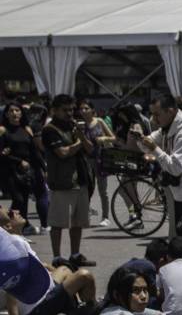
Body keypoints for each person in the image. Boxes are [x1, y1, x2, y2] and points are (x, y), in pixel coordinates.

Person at [0, 205, 96, 315]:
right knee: (84, 275)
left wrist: (49, 268)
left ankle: (74, 305)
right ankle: (93, 308)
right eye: (11, 214)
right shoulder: (10, 249)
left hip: (45, 292)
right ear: (8, 227)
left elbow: (39, 267)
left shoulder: (18, 242)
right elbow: (11, 283)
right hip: (38, 307)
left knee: (64, 269)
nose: (17, 211)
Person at [135, 93, 182, 236]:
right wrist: (140, 139)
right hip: (178, 193)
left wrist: (155, 149)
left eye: (157, 114)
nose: (154, 119)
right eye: (152, 114)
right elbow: (146, 145)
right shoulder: (167, 128)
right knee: (180, 238)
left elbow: (175, 168)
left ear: (171, 111)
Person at [41, 94, 96, 267]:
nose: (70, 113)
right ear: (54, 111)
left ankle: (75, 254)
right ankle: (57, 257)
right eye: (65, 110)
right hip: (63, 182)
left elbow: (91, 149)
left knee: (78, 222)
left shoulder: (74, 126)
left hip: (80, 180)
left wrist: (80, 134)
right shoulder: (50, 130)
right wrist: (79, 143)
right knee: (58, 223)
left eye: (72, 109)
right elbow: (62, 153)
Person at [0, 103, 49, 234]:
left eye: (17, 110)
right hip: (9, 170)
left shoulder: (26, 129)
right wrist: (18, 160)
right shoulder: (3, 130)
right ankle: (7, 226)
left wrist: (44, 168)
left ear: (21, 113)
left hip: (26, 171)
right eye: (11, 111)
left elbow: (34, 151)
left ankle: (22, 226)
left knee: (24, 200)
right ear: (6, 114)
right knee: (18, 199)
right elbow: (2, 153)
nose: (14, 113)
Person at [76, 99, 117, 227]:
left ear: (92, 110)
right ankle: (85, 214)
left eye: (86, 108)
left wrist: (104, 138)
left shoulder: (99, 121)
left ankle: (105, 217)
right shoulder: (78, 124)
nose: (83, 111)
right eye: (81, 108)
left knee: (102, 189)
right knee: (86, 188)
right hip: (85, 160)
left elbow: (113, 138)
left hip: (100, 159)